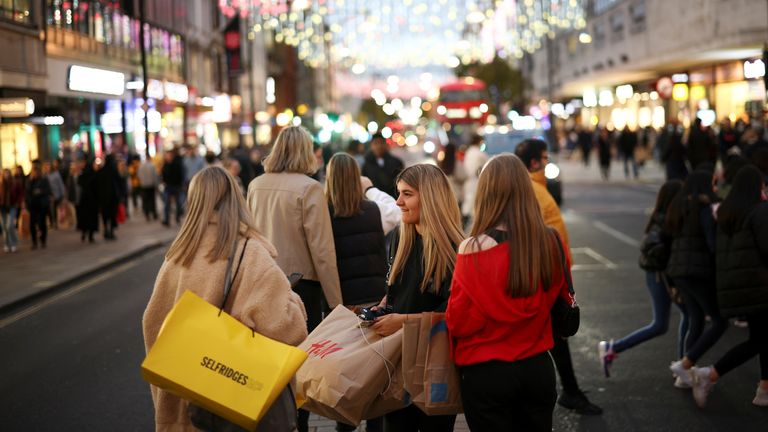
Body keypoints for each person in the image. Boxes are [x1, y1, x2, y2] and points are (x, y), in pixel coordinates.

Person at [143, 166, 308, 432]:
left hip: (189, 402)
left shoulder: (177, 257)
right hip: (240, 401)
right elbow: (288, 328)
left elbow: (153, 327)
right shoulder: (251, 254)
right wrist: (292, 300)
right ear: (236, 200)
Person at [447, 153, 573, 431]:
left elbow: (459, 322)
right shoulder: (551, 241)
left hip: (487, 372)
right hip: (538, 368)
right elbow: (562, 300)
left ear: (486, 193)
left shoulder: (473, 249)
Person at [246, 126, 343, 432]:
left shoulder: (256, 185)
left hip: (262, 283)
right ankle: (297, 425)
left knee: (269, 363)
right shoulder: (309, 188)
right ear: (305, 152)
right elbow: (322, 250)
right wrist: (337, 304)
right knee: (299, 365)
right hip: (303, 289)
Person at [369, 163, 465, 432]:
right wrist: (381, 308)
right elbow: (398, 293)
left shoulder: (456, 250)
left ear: (431, 197)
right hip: (398, 361)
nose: (398, 202)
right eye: (398, 193)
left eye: (407, 194)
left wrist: (401, 321)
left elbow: (454, 316)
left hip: (435, 365)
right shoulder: (401, 236)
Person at [514, 139, 602, 415]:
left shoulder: (535, 188)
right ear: (534, 163)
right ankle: (566, 393)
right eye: (544, 157)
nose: (547, 161)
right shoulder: (532, 191)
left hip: (552, 274)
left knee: (556, 338)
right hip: (547, 278)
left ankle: (569, 392)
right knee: (555, 337)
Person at [690, 166, 768, 407]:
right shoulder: (759, 211)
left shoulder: (726, 213)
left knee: (761, 337)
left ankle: (764, 389)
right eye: (763, 187)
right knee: (760, 340)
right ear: (756, 188)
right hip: (759, 285)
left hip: (737, 287)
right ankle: (709, 374)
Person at [598, 180, 690, 381]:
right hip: (660, 276)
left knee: (677, 319)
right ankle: (683, 367)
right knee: (666, 322)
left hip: (659, 275)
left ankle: (683, 365)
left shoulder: (661, 218)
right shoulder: (666, 222)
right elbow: (659, 254)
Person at [325, 152, 386, 432]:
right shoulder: (372, 209)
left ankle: (344, 426)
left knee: (345, 369)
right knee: (374, 369)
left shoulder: (326, 213)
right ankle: (375, 424)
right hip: (373, 297)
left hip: (343, 302)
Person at [666, 170, 726, 387]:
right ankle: (685, 365)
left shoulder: (679, 205)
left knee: (696, 318)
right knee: (719, 321)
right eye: (713, 183)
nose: (715, 187)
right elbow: (712, 244)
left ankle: (684, 374)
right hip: (697, 271)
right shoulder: (704, 208)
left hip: (678, 271)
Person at [362, 133, 404, 198]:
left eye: (381, 143)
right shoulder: (366, 165)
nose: (379, 146)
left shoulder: (396, 162)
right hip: (374, 200)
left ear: (385, 144)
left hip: (393, 200)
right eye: (376, 143)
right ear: (371, 146)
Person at [461, 134, 489, 226]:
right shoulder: (479, 153)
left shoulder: (469, 151)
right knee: (473, 206)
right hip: (476, 182)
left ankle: (464, 223)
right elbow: (489, 164)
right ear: (480, 142)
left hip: (468, 182)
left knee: (468, 205)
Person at [25, 160, 51, 250]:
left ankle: (43, 240)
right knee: (32, 224)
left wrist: (40, 191)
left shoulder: (44, 179)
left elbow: (48, 190)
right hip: (32, 205)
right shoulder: (29, 179)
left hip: (42, 205)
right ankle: (34, 242)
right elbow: (27, 192)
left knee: (42, 223)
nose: (35, 171)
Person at [95, 155, 120, 240]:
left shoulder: (101, 171)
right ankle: (111, 232)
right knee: (112, 215)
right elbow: (119, 182)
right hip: (112, 198)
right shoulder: (113, 171)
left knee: (105, 215)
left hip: (103, 198)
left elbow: (97, 185)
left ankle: (106, 230)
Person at [437, 142, 467, 208]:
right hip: (456, 194)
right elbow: (463, 176)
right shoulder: (456, 163)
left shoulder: (441, 163)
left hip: (445, 195)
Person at [0, 168, 23, 252]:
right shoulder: (1, 183)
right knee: (4, 227)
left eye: (8, 173)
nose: (6, 175)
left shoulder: (15, 183)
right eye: (5, 174)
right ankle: (7, 244)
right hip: (2, 208)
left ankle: (13, 243)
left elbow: (20, 193)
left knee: (10, 226)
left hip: (12, 206)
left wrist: (18, 202)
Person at [77, 159, 100, 243]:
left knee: (84, 218)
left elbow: (79, 183)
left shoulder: (82, 175)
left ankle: (84, 233)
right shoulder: (94, 175)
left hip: (84, 200)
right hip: (92, 200)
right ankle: (90, 236)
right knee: (91, 218)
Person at [161, 149, 184, 227]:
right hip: (168, 187)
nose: (168, 157)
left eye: (169, 155)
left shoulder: (177, 164)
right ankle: (167, 220)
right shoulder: (165, 165)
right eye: (167, 155)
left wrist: (180, 185)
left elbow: (180, 175)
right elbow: (163, 175)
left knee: (178, 204)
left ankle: (177, 218)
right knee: (166, 204)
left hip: (176, 186)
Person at [43, 161, 66, 229]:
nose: (47, 168)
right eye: (46, 167)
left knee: (54, 208)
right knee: (49, 209)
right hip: (47, 194)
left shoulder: (56, 174)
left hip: (56, 194)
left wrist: (63, 194)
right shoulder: (44, 175)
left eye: (49, 166)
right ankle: (51, 222)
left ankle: (55, 222)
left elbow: (60, 184)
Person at [138, 157, 159, 221]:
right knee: (152, 200)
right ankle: (154, 214)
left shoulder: (141, 166)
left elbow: (139, 175)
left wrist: (142, 181)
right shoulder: (152, 165)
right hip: (151, 185)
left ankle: (147, 214)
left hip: (143, 186)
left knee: (145, 200)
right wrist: (156, 185)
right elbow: (155, 176)